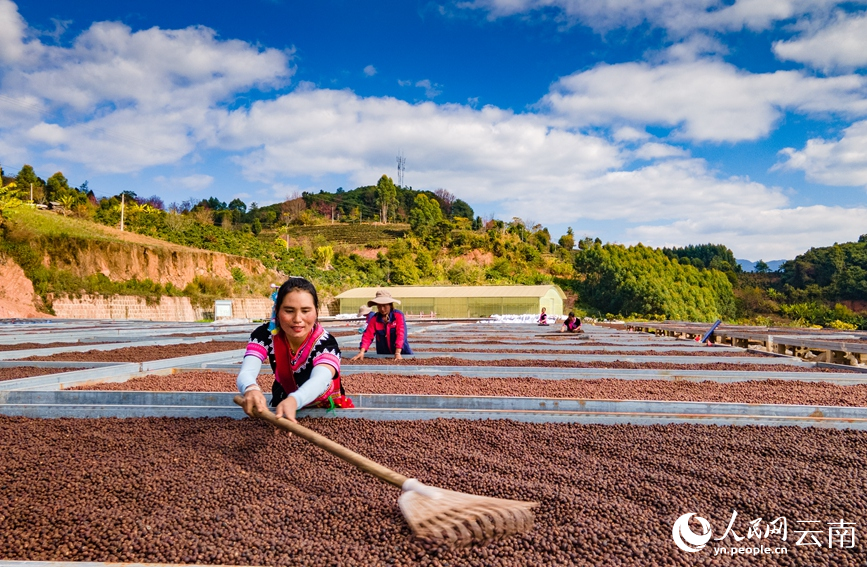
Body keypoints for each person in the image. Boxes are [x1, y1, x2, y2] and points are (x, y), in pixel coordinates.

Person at [237, 277, 353, 422]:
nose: (297, 319)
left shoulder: (326, 343)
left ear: (316, 312)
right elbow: (247, 371)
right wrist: (250, 388)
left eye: (305, 311)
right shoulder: (265, 334)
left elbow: (320, 379)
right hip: (282, 408)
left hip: (325, 412)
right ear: (277, 310)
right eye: (289, 311)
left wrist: (295, 400)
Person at [350, 290, 413, 361]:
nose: (382, 309)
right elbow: (368, 335)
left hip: (402, 352)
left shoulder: (398, 315)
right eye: (379, 306)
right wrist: (362, 351)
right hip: (383, 354)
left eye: (384, 306)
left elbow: (401, 334)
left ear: (390, 304)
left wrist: (398, 352)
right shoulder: (375, 318)